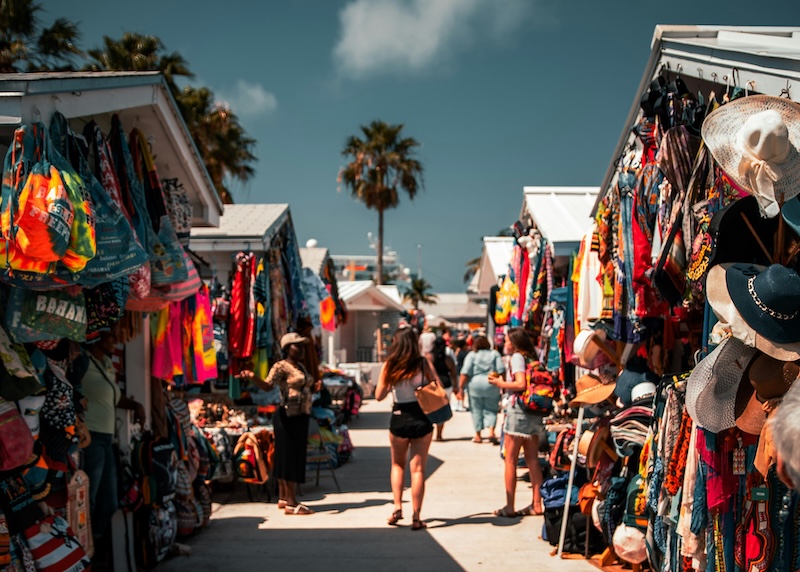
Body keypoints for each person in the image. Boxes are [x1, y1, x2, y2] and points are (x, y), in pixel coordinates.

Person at [243, 332, 320, 515]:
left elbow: (304, 386)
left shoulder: (300, 366)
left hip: (300, 415)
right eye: (296, 346)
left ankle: (285, 498)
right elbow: (268, 385)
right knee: (290, 458)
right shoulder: (281, 366)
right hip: (288, 416)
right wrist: (253, 377)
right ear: (287, 348)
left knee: (289, 457)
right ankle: (292, 503)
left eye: (302, 346)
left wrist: (314, 387)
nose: (301, 349)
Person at [81, 332, 145, 547]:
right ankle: (84, 548)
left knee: (109, 501)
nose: (114, 341)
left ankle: (93, 541)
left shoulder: (107, 364)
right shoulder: (82, 361)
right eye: (110, 338)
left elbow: (114, 397)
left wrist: (137, 406)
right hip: (90, 436)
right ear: (96, 339)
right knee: (88, 498)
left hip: (107, 437)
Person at [375, 326, 435, 530]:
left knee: (397, 465)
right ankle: (417, 517)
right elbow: (437, 387)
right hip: (421, 417)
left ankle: (397, 506)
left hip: (399, 417)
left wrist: (394, 383)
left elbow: (378, 395)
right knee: (418, 469)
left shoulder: (390, 365)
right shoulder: (422, 363)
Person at [488, 327, 546, 517]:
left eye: (506, 340)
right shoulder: (534, 357)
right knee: (532, 460)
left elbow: (520, 384)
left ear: (514, 342)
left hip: (519, 412)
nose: (504, 344)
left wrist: (500, 384)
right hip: (534, 412)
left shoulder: (517, 358)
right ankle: (536, 504)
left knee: (510, 460)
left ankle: (509, 506)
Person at [458, 335, 504, 444]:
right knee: (492, 409)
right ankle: (491, 431)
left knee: (476, 409)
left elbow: (465, 372)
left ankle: (478, 435)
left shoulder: (472, 355)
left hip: (475, 385)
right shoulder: (494, 354)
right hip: (491, 384)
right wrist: (504, 385)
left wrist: (460, 388)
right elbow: (501, 370)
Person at [431, 337, 458, 441]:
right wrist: (456, 386)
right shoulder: (448, 359)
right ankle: (439, 434)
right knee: (441, 410)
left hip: (432, 386)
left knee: (430, 408)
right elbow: (454, 373)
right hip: (446, 384)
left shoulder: (429, 358)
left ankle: (431, 432)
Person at [451, 337, 470, 412]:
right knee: (461, 389)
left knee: (461, 388)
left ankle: (460, 404)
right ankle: (460, 403)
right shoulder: (464, 353)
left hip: (458, 372)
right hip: (462, 373)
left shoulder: (459, 352)